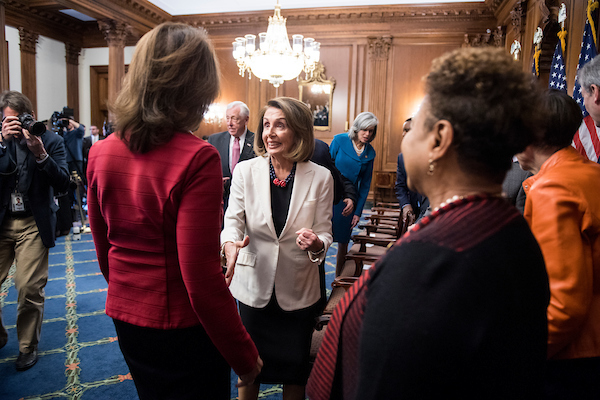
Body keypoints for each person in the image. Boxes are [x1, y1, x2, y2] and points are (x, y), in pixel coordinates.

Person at [307, 47, 550, 400]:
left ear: (438, 139)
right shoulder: (506, 229)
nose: (404, 140)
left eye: (413, 128)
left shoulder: (433, 259)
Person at [86, 22, 261, 400]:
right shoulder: (197, 157)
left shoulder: (100, 152)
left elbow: (104, 253)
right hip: (181, 326)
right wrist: (245, 357)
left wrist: (131, 292)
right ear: (197, 86)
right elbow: (200, 281)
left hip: (126, 315)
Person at [221, 97, 333, 400]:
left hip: (298, 287)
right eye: (266, 124)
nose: (269, 132)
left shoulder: (321, 176)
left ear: (298, 131)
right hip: (253, 285)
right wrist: (230, 244)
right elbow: (232, 221)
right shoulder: (245, 171)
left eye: (280, 125)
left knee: (294, 370)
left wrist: (317, 242)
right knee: (249, 368)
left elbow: (325, 231)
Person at [516, 89, 600, 399]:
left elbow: (564, 304)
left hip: (572, 358)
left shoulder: (553, 188)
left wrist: (521, 356)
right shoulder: (590, 172)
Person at [0, 90, 71, 371]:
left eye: (18, 120)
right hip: (3, 221)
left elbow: (64, 182)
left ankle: (27, 347)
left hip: (33, 221)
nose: (14, 126)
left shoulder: (50, 140)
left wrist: (40, 153)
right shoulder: (0, 142)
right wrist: (2, 143)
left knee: (28, 286)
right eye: (8, 121)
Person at [330, 112, 377, 275]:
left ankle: (338, 278)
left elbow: (365, 186)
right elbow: (326, 168)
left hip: (350, 201)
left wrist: (358, 212)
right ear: (357, 128)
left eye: (371, 131)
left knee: (343, 241)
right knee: (323, 237)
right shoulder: (339, 140)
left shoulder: (370, 153)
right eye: (364, 130)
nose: (367, 134)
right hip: (330, 196)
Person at [207, 101, 256, 213]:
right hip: (221, 203)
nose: (230, 123)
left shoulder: (257, 141)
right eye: (227, 118)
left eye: (235, 119)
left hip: (248, 203)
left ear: (246, 120)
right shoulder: (214, 140)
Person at [395, 117, 426, 229]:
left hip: (429, 211)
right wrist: (406, 205)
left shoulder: (431, 155)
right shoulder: (402, 157)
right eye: (403, 130)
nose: (403, 134)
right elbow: (400, 186)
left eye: (407, 130)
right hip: (413, 209)